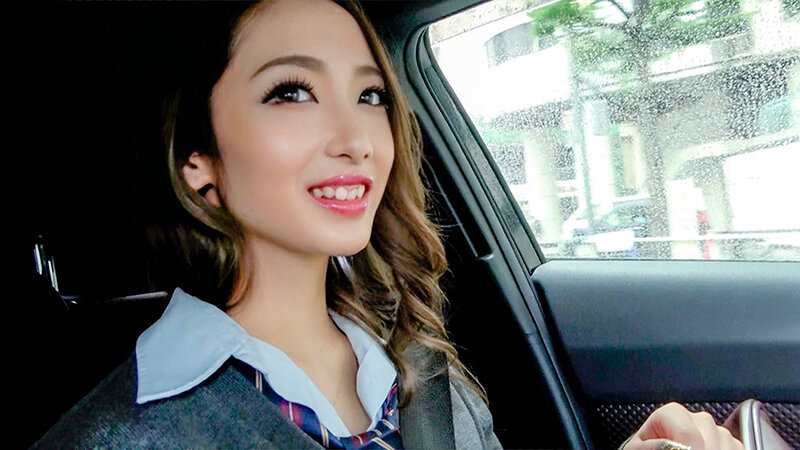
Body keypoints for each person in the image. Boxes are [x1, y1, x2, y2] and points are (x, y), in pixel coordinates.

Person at [34, 1, 745, 449]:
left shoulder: (425, 371)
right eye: (292, 92)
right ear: (199, 162)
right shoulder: (118, 434)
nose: (357, 139)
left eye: (370, 95)